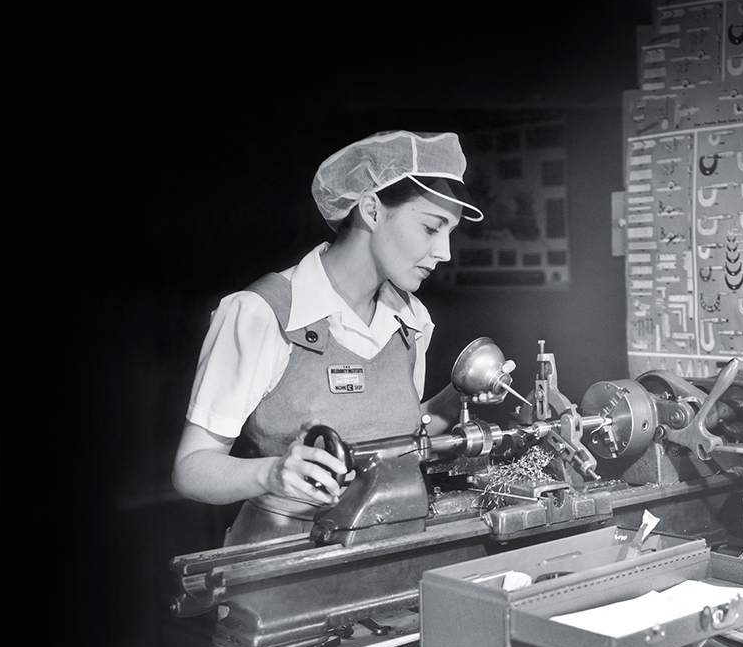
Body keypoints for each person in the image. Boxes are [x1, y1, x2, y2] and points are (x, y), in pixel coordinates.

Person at [172, 130, 511, 544]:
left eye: (450, 233)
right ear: (371, 210)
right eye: (430, 228)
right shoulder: (262, 313)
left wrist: (459, 395)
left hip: (387, 547)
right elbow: (192, 469)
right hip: (283, 564)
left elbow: (396, 441)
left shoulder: (411, 319)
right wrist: (271, 472)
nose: (445, 252)